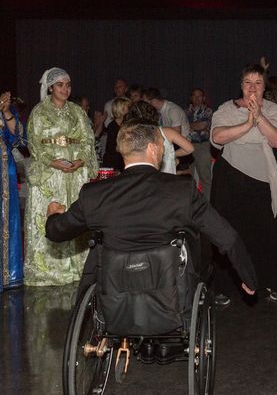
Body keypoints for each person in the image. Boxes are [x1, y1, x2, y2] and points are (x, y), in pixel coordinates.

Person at [44, 120, 257, 299]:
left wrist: (53, 214)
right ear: (153, 149)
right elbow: (226, 237)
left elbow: (56, 232)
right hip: (168, 294)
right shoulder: (181, 191)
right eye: (163, 146)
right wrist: (248, 276)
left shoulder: (94, 194)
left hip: (114, 297)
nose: (165, 151)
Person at [210, 63, 277, 302]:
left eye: (258, 83)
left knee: (268, 235)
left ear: (264, 86)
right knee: (230, 235)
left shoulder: (274, 110)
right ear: (240, 85)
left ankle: (270, 282)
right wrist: (247, 124)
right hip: (231, 181)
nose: (252, 88)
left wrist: (259, 117)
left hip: (264, 182)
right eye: (247, 83)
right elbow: (216, 137)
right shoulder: (227, 108)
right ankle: (226, 287)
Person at [23, 68, 98, 286]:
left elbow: (87, 139)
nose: (65, 89)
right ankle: (50, 269)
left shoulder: (77, 111)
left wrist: (81, 160)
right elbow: (34, 143)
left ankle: (77, 267)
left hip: (75, 172)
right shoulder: (39, 112)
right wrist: (52, 161)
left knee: (75, 214)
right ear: (50, 87)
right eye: (60, 85)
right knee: (52, 213)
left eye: (68, 85)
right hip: (51, 173)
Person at [0, 91, 27, 292]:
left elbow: (19, 139)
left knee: (7, 219)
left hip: (5, 168)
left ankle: (9, 274)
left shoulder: (5, 110)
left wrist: (7, 111)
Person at [125, 100, 193, 175]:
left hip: (143, 178)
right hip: (166, 179)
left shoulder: (131, 134)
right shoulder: (166, 132)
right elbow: (190, 148)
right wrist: (170, 154)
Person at [186, 88, 213, 198]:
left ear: (204, 98)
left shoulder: (208, 111)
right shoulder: (185, 111)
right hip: (186, 147)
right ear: (191, 98)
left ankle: (208, 205)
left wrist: (187, 125)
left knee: (205, 178)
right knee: (190, 177)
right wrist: (193, 126)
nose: (197, 98)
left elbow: (202, 126)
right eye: (194, 95)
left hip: (203, 146)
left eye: (200, 95)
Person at [101, 96, 131, 171]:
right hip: (113, 163)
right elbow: (111, 148)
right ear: (122, 109)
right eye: (127, 107)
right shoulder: (112, 126)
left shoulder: (126, 124)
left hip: (122, 161)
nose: (129, 110)